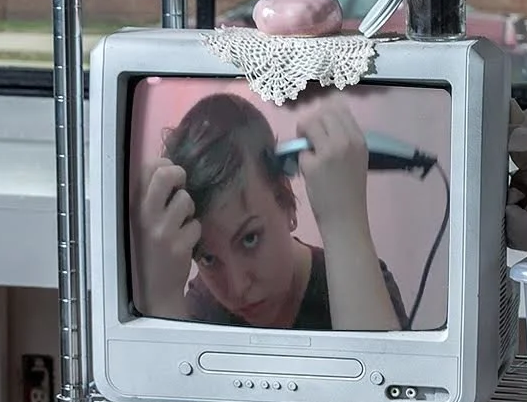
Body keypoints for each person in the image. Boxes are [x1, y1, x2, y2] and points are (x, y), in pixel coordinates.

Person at [132, 90, 407, 332]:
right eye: (208, 258)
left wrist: (344, 221)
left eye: (249, 239)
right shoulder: (202, 306)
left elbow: (382, 381)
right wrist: (161, 298)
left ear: (285, 201)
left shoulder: (366, 285)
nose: (238, 288)